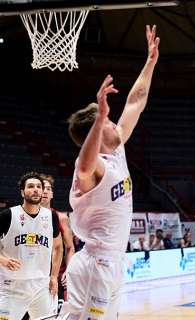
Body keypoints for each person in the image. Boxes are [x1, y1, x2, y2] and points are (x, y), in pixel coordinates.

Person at [59, 25, 159, 319]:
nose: (116, 124)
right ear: (95, 131)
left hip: (112, 261)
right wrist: (100, 115)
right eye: (108, 121)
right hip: (95, 263)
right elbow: (85, 164)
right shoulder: (91, 168)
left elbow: (136, 102)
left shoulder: (116, 151)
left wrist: (150, 61)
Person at [0, 172, 63, 319]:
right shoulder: (7, 215)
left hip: (41, 286)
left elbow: (59, 247)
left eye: (38, 186)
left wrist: (54, 276)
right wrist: (3, 260)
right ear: (22, 192)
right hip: (12, 287)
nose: (35, 189)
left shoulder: (51, 216)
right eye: (30, 186)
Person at [40, 173, 76, 313]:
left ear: (52, 194)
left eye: (48, 189)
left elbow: (70, 247)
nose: (45, 191)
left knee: (57, 315)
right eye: (42, 188)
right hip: (35, 275)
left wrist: (69, 269)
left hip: (56, 275)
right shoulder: (25, 217)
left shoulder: (61, 218)